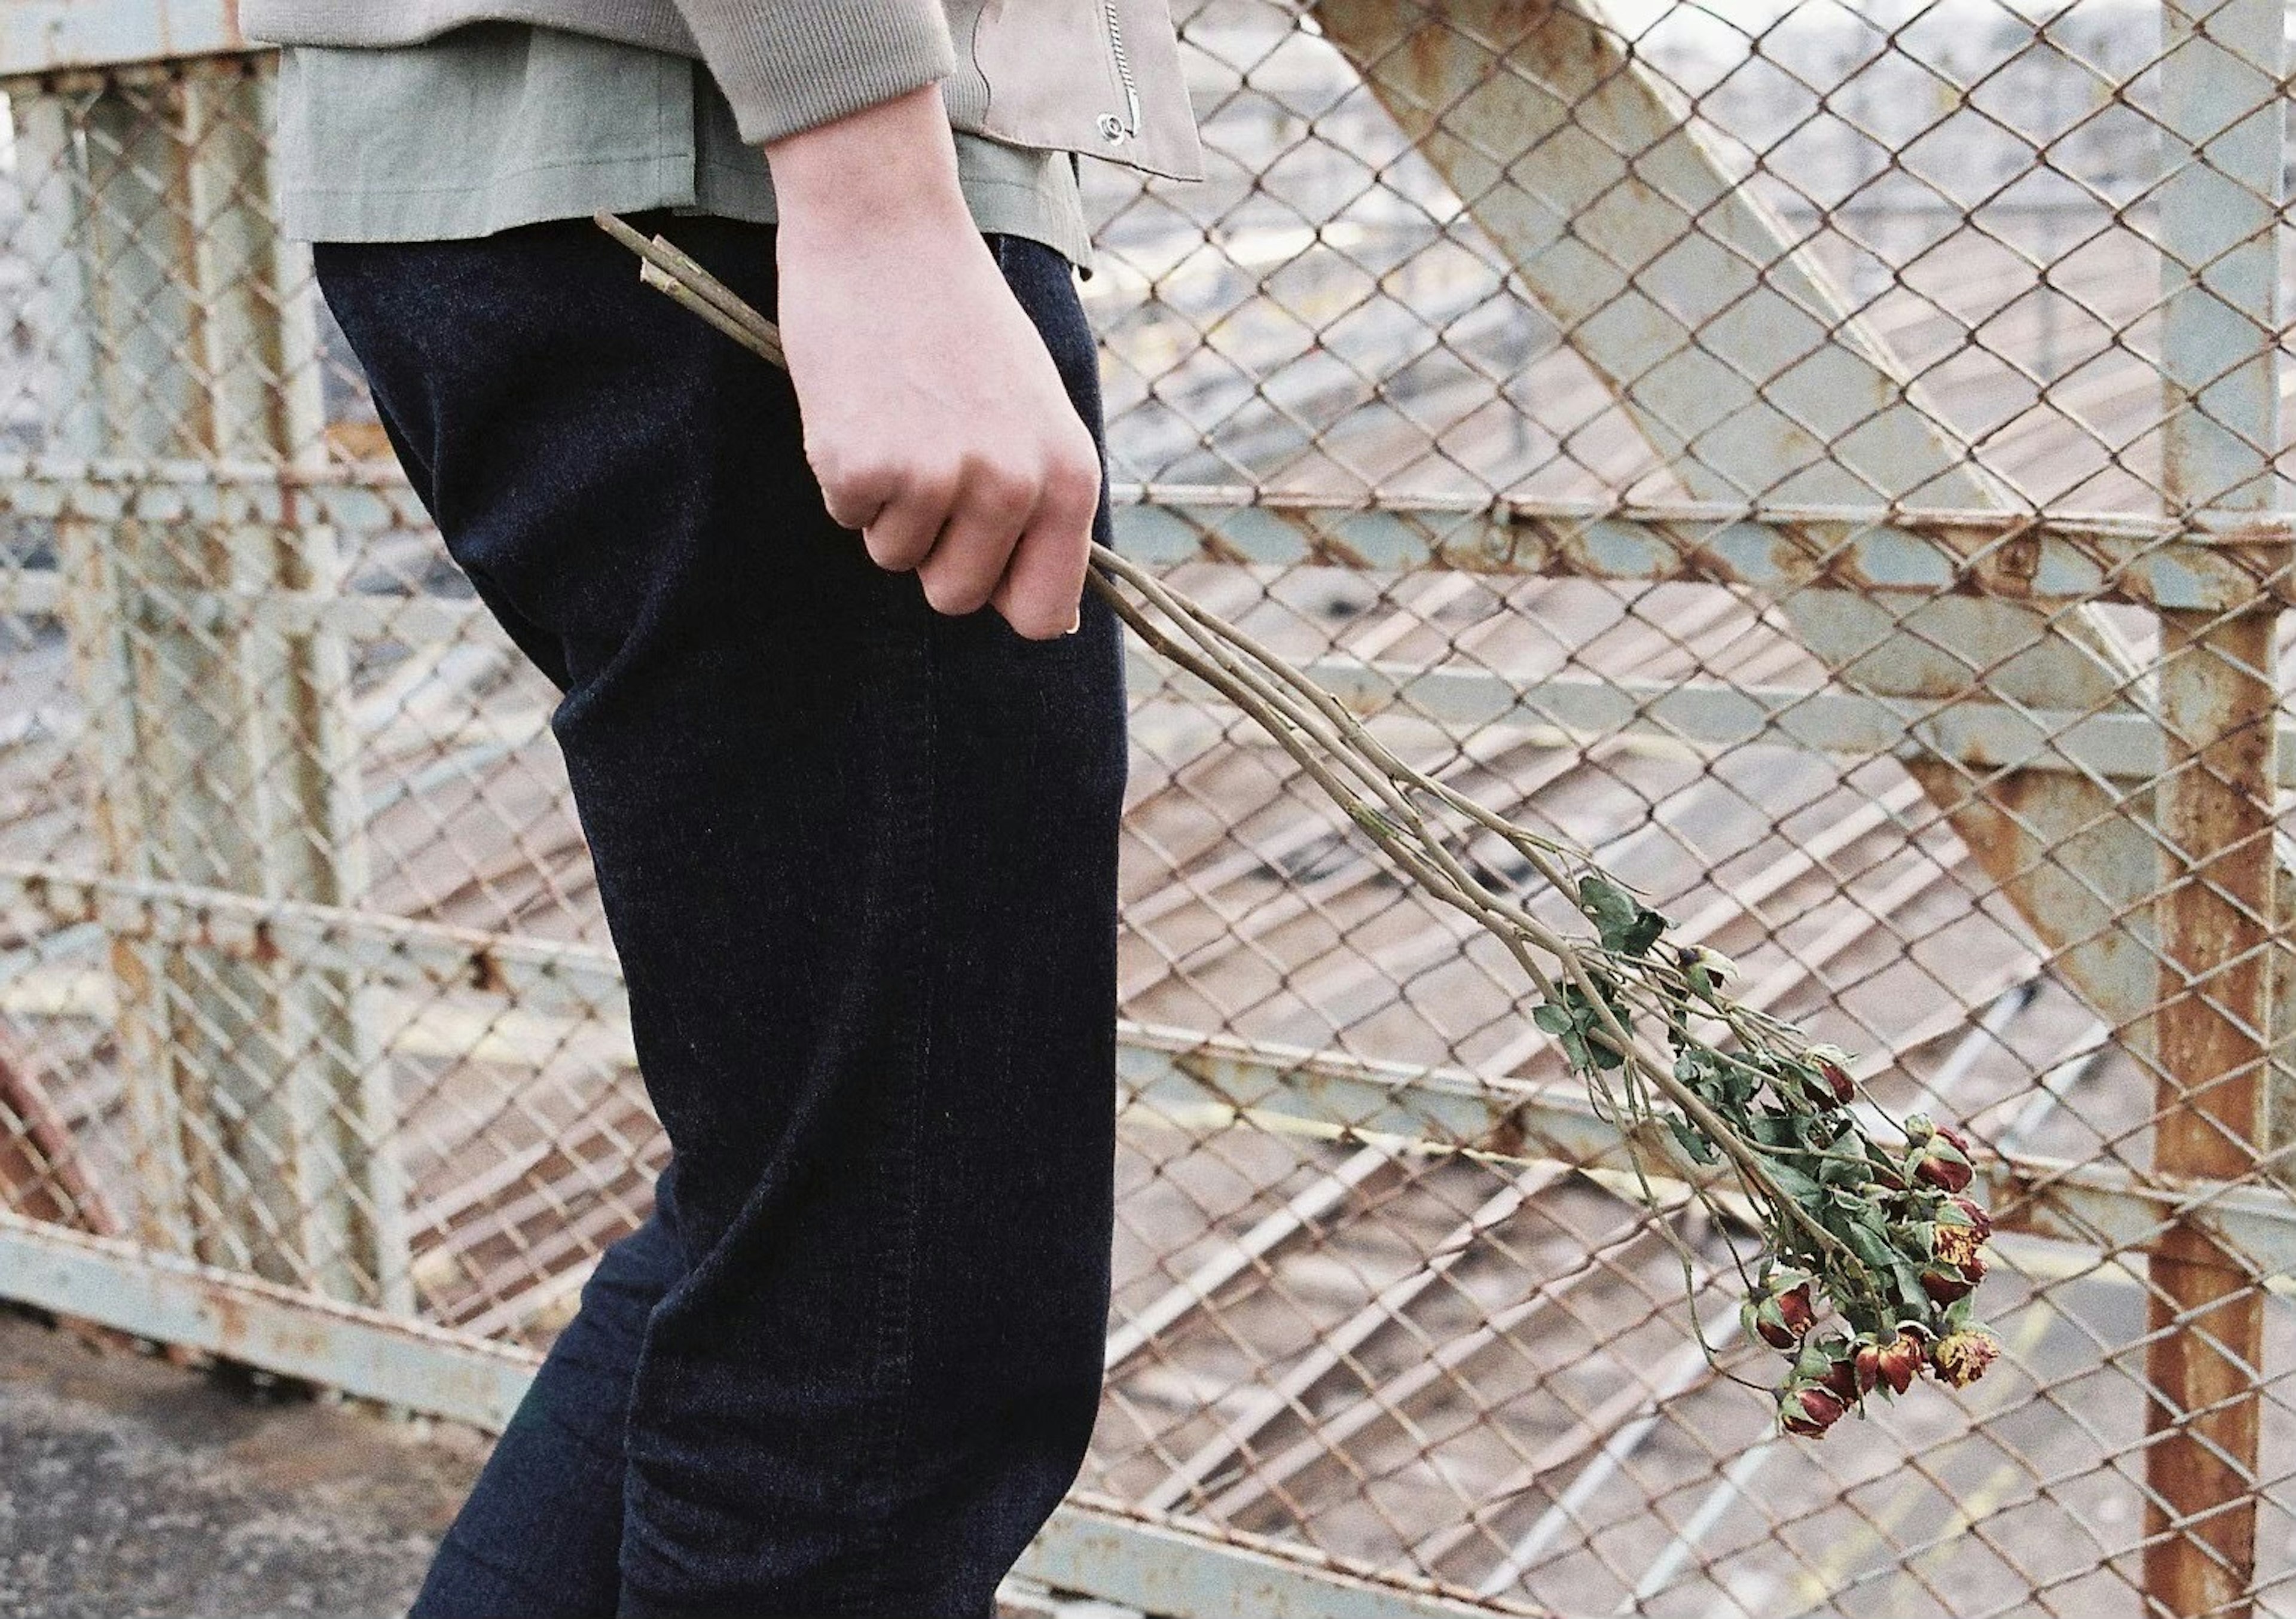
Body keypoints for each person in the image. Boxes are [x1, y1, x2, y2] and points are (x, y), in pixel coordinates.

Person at [237, 4, 1201, 1614]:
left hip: (630, 150)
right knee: (888, 1337)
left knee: (809, 1229)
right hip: (739, 166)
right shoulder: (832, 165)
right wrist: (870, 174)